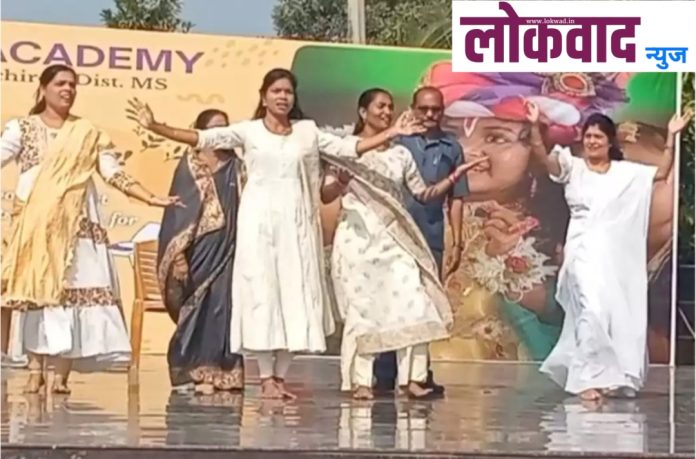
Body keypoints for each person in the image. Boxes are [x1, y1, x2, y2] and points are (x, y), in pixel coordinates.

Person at [128, 68, 422, 399]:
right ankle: (266, 377)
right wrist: (155, 126)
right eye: (276, 91)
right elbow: (202, 138)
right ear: (264, 97)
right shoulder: (249, 132)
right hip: (258, 228)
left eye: (288, 91)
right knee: (262, 297)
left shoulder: (307, 132)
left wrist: (392, 132)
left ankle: (280, 377)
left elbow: (350, 148)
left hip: (297, 229)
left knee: (296, 298)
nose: (283, 97)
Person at [0, 64, 181, 394]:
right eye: (60, 83)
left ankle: (60, 374)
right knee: (38, 293)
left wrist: (150, 197)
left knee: (72, 295)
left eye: (72, 84)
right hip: (38, 227)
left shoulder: (87, 132)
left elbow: (113, 173)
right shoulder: (22, 128)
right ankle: (35, 369)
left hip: (77, 227)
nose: (67, 89)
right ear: (43, 88)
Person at [321, 88, 484, 400]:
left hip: (395, 241)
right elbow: (326, 195)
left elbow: (422, 194)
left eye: (390, 107)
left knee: (414, 302)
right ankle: (361, 381)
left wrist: (454, 178)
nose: (386, 112)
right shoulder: (345, 150)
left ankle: (414, 379)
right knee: (364, 310)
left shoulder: (400, 154)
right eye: (380, 107)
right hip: (358, 240)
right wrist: (341, 180)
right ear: (363, 112)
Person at [530, 102, 693, 401]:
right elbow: (543, 159)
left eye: (598, 137)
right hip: (582, 254)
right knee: (591, 310)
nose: (592, 141)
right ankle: (584, 379)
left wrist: (671, 136)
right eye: (588, 136)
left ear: (609, 142)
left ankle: (608, 376)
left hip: (614, 257)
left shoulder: (624, 173)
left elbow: (661, 172)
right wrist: (534, 128)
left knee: (612, 315)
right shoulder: (573, 168)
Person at [373, 86, 469, 396]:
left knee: (425, 304)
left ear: (443, 111)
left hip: (430, 234)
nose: (429, 115)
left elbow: (456, 198)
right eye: (423, 109)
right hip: (394, 236)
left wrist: (457, 240)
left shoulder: (451, 147)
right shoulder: (397, 141)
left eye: (435, 110)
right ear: (413, 108)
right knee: (391, 302)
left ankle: (419, 373)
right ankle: (384, 372)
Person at [158, 109, 244, 394]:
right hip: (199, 251)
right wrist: (179, 256)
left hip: (229, 248)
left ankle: (224, 372)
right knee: (196, 308)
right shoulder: (190, 166)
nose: (221, 134)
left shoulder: (238, 165)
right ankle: (188, 369)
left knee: (224, 308)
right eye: (215, 128)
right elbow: (178, 215)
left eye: (225, 128)